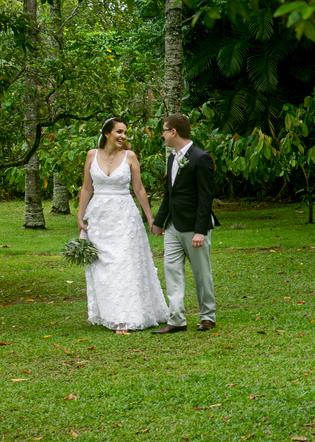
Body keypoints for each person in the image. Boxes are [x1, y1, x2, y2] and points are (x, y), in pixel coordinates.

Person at [77, 117, 169, 332]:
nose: (123, 136)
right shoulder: (92, 155)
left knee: (124, 264)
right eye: (119, 132)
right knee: (103, 267)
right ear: (107, 133)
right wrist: (80, 217)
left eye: (125, 132)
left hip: (125, 216)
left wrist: (150, 218)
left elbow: (139, 189)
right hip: (99, 218)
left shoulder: (130, 156)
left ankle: (125, 318)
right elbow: (86, 188)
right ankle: (110, 313)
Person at [152, 113, 219, 333]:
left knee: (201, 273)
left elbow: (205, 197)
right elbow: (169, 194)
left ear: (173, 132)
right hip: (173, 226)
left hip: (194, 227)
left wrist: (200, 231)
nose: (161, 135)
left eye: (163, 130)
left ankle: (208, 316)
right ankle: (176, 319)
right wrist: (159, 221)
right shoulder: (172, 157)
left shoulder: (201, 158)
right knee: (171, 271)